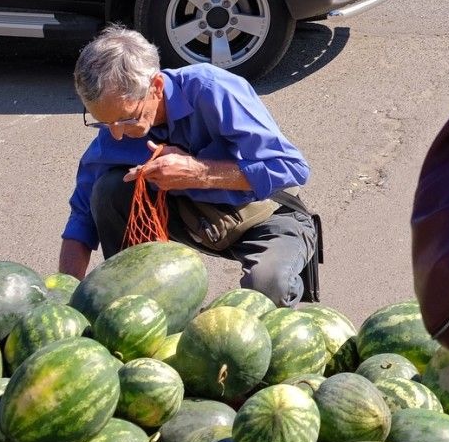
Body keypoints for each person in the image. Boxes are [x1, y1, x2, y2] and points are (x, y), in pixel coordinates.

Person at [57, 25, 318, 305]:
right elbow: (81, 218)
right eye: (104, 122)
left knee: (268, 286)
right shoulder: (115, 126)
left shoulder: (213, 89)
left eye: (128, 119)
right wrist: (67, 302)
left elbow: (291, 168)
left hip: (263, 215)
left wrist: (198, 172)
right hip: (195, 219)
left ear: (155, 87)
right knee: (109, 190)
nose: (117, 133)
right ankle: (141, 306)